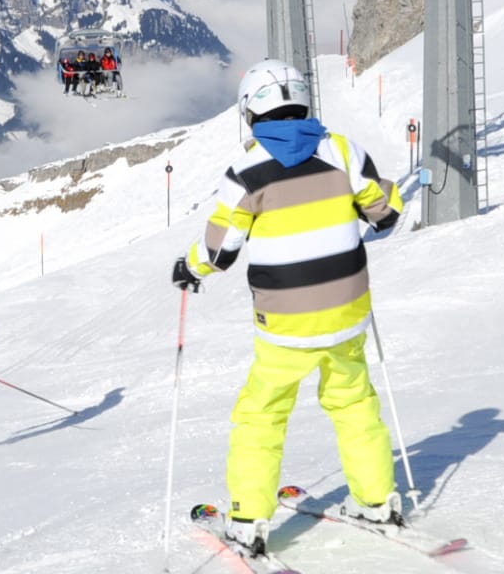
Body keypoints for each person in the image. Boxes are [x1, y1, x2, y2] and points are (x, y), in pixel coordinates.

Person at [171, 58, 406, 559]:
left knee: (262, 413)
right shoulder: (342, 150)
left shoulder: (247, 170)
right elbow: (385, 211)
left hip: (285, 324)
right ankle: (377, 501)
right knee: (353, 402)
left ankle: (249, 519)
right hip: (346, 312)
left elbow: (220, 250)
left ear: (250, 114)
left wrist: (190, 268)